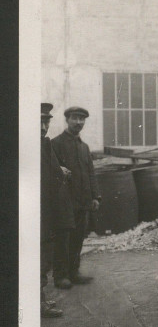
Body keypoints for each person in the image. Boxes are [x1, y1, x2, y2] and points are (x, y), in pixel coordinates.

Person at [51, 107, 101, 286]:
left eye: (82, 119)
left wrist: (95, 197)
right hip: (64, 202)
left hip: (83, 201)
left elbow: (90, 173)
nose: (79, 122)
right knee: (63, 239)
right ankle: (60, 276)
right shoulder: (55, 144)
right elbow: (50, 174)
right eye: (75, 118)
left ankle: (73, 272)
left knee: (78, 237)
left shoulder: (84, 146)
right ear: (67, 120)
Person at [41, 103, 72, 316]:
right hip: (36, 212)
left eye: (46, 122)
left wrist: (58, 171)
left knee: (43, 256)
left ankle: (40, 300)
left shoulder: (44, 143)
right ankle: (37, 305)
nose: (44, 127)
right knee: (36, 257)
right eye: (40, 122)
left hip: (47, 211)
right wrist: (59, 172)